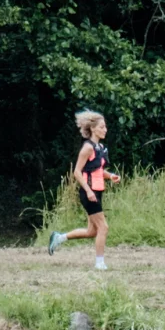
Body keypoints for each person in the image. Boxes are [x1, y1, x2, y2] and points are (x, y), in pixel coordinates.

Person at [48, 111, 122, 271]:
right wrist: (88, 191)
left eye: (105, 126)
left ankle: (59, 238)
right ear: (93, 129)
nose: (105, 129)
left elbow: (97, 171)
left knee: (91, 231)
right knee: (103, 228)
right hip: (89, 193)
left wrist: (111, 176)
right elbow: (77, 172)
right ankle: (100, 263)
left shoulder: (100, 148)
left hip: (97, 191)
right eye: (102, 127)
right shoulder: (87, 148)